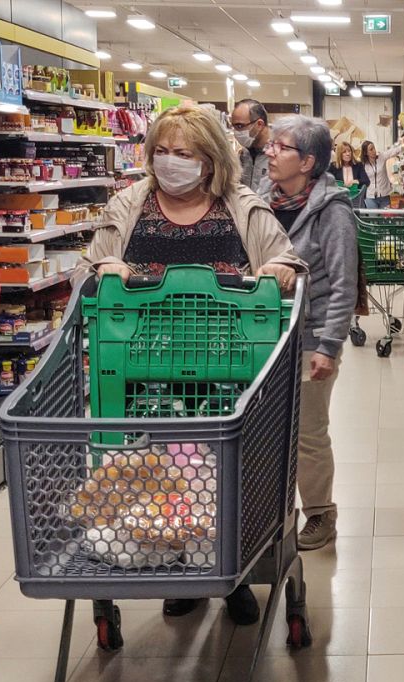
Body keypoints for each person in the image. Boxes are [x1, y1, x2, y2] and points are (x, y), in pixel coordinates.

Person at [81, 105, 304, 620]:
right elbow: (87, 274)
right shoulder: (129, 205)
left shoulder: (243, 207)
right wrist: (103, 268)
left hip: (230, 370)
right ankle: (179, 569)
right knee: (160, 479)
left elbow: (288, 260)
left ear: (209, 160)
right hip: (143, 375)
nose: (168, 162)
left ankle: (235, 572)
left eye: (182, 153)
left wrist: (280, 268)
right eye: (161, 151)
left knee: (231, 471)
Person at [261, 117, 358, 551]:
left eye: (280, 147)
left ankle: (320, 514)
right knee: (262, 429)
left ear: (308, 162)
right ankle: (267, 512)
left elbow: (343, 283)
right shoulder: (259, 202)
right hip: (261, 337)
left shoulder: (332, 212)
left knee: (308, 432)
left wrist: (329, 346)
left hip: (310, 338)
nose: (270, 153)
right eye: (271, 146)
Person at [230, 98, 272, 192]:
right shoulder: (242, 156)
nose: (236, 132)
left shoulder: (277, 156)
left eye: (240, 126)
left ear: (259, 124)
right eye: (234, 127)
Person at [361, 139, 404, 209]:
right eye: (371, 149)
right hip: (370, 197)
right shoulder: (363, 164)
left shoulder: (381, 157)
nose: (374, 151)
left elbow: (393, 152)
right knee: (373, 218)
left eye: (374, 148)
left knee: (385, 218)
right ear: (365, 153)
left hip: (385, 195)